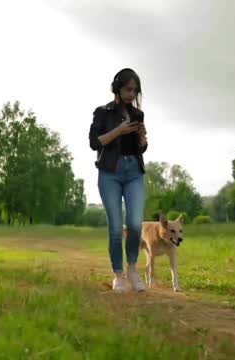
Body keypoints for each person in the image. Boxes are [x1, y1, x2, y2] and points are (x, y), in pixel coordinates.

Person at [88, 68, 148, 292]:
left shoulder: (138, 115)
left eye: (135, 90)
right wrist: (119, 131)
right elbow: (95, 143)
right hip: (109, 173)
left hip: (134, 170)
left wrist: (141, 136)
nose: (132, 94)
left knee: (134, 223)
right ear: (117, 88)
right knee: (115, 227)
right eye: (128, 89)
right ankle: (118, 275)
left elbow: (142, 147)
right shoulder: (102, 113)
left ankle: (132, 268)